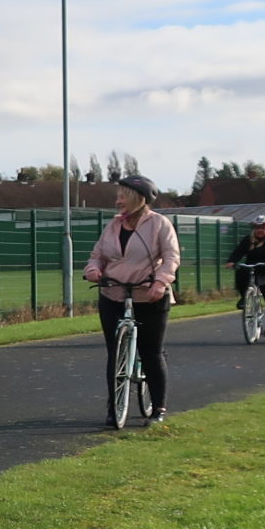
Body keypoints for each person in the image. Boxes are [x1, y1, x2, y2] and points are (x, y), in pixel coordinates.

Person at [83, 174, 179, 422]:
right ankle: (114, 406)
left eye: (122, 196)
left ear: (139, 198)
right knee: (115, 352)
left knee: (151, 352)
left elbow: (171, 258)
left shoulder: (159, 224)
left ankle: (158, 408)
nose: (118, 201)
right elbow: (97, 255)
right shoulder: (113, 226)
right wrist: (93, 269)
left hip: (149, 295)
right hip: (113, 293)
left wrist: (160, 282)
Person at [227, 212, 265, 341]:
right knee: (241, 272)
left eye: (263, 228)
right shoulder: (249, 239)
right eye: (257, 228)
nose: (259, 231)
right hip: (251, 269)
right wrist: (232, 261)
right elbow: (238, 252)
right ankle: (244, 298)